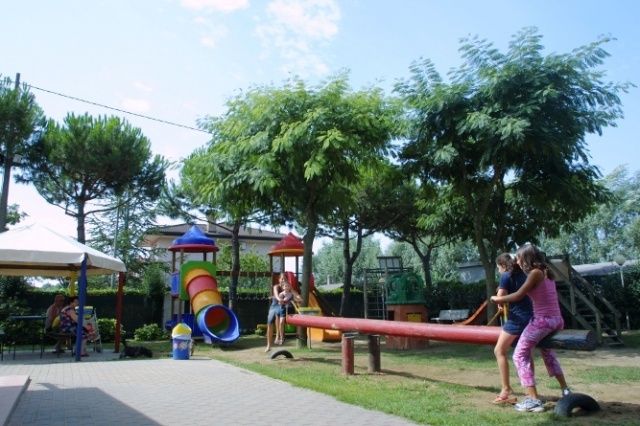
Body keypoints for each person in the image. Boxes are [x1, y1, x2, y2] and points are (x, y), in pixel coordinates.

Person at [491, 244, 571, 413]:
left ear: (526, 258)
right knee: (548, 353)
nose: (517, 261)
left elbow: (519, 295)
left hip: (543, 321)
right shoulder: (546, 271)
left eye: (519, 258)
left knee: (519, 355)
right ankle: (565, 390)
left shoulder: (535, 273)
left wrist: (497, 299)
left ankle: (533, 400)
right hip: (556, 320)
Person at [492, 253, 532, 405]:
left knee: (499, 351)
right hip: (531, 317)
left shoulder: (506, 275)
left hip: (517, 319)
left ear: (502, 265)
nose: (499, 271)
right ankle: (531, 391)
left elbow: (500, 297)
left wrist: (498, 299)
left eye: (498, 267)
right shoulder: (524, 274)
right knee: (526, 354)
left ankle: (506, 389)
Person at [274, 276, 302, 346]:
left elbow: (296, 299)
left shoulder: (291, 294)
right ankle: (281, 337)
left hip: (291, 309)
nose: (287, 287)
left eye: (288, 286)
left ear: (290, 287)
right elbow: (280, 302)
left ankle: (298, 334)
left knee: (298, 320)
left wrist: (299, 299)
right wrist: (282, 301)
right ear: (283, 287)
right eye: (285, 286)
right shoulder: (281, 294)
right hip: (283, 309)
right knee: (281, 322)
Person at [264, 276, 283, 352]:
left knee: (277, 315)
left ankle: (277, 336)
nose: (283, 280)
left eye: (284, 279)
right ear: (279, 280)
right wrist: (279, 299)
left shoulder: (288, 287)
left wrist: (298, 298)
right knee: (269, 322)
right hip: (274, 305)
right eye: (281, 279)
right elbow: (276, 294)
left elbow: (294, 293)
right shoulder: (276, 286)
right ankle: (268, 345)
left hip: (281, 306)